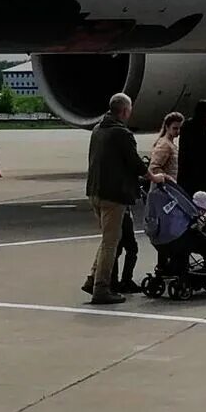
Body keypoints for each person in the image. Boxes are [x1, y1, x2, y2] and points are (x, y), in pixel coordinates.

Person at [82, 93, 144, 305]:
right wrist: (153, 175)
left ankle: (93, 279)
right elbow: (135, 164)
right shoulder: (122, 134)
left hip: (95, 192)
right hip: (113, 195)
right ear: (125, 111)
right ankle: (101, 289)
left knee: (107, 239)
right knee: (111, 243)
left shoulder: (98, 129)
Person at [148, 110, 185, 185]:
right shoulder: (165, 144)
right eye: (175, 128)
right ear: (167, 127)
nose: (178, 131)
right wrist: (169, 179)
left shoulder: (170, 144)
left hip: (167, 187)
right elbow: (154, 167)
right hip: (163, 188)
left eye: (180, 128)